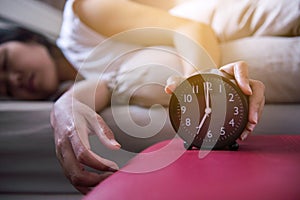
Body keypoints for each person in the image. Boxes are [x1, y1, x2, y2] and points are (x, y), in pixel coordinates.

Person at [3, 0, 287, 194]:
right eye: (5, 89)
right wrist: (62, 107)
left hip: (225, 21)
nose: (13, 79)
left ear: (28, 38)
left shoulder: (80, 16)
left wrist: (202, 88)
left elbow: (190, 28)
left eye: (4, 62)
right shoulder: (84, 80)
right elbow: (103, 85)